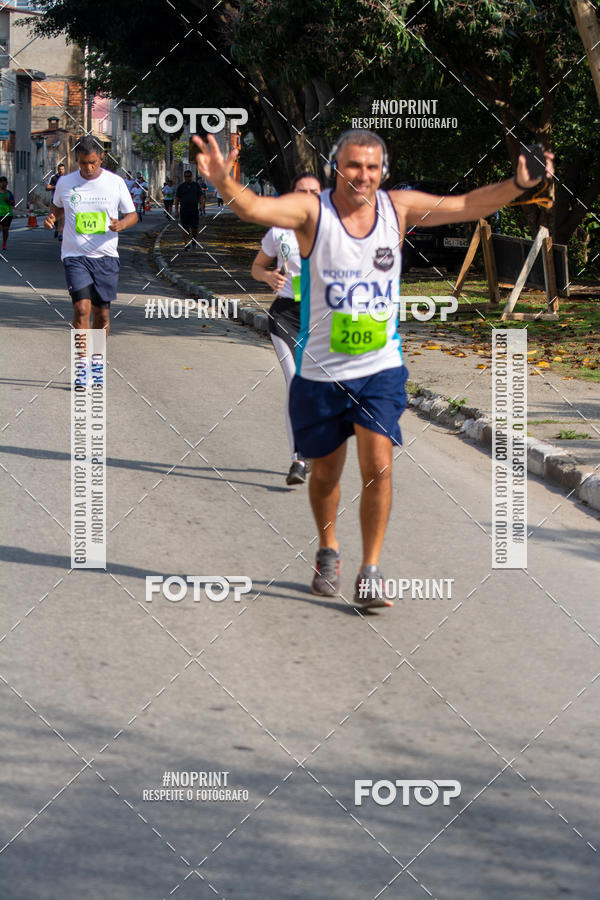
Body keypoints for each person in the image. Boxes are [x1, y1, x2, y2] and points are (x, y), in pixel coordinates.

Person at [194, 128, 553, 609]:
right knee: (324, 474)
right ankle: (328, 550)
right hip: (320, 371)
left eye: (371, 166)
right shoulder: (311, 211)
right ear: (335, 168)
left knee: (379, 465)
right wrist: (223, 182)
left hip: (380, 366)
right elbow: (255, 209)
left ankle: (371, 570)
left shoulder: (397, 207)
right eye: (352, 165)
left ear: (383, 171)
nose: (361, 175)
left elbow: (468, 204)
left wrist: (518, 185)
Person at [251, 172, 322, 486]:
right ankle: (299, 459)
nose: (307, 195)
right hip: (286, 317)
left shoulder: (337, 229)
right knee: (296, 384)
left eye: (313, 191)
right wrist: (268, 278)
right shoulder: (279, 229)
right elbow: (257, 266)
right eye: (301, 190)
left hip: (323, 317)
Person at [43, 136, 138, 335]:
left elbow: (133, 215)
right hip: (74, 255)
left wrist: (121, 224)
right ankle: (81, 362)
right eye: (83, 163)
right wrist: (52, 218)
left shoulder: (115, 182)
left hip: (106, 256)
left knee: (102, 315)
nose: (88, 168)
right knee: (81, 309)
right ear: (77, 159)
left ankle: (96, 360)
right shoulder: (65, 182)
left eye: (92, 163)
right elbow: (58, 208)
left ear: (101, 158)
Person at [174, 170, 202, 249]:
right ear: (184, 177)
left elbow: (201, 196)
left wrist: (202, 205)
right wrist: (176, 211)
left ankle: (194, 239)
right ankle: (186, 244)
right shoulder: (181, 187)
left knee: (194, 228)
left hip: (194, 211)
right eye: (186, 176)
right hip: (184, 211)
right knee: (185, 228)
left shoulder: (196, 186)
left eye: (189, 176)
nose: (187, 178)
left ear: (191, 176)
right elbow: (176, 199)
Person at [46, 163, 66, 239]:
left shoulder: (67, 178)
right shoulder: (54, 178)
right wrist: (55, 186)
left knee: (62, 217)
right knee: (54, 218)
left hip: (64, 201)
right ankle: (57, 229)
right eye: (60, 169)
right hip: (54, 201)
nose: (61, 171)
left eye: (62, 169)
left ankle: (61, 233)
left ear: (64, 170)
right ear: (57, 170)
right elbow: (47, 187)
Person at [0, 176, 15, 251]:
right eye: (1, 182)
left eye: (4, 182)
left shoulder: (9, 193)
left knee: (5, 230)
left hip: (7, 214)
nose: (3, 184)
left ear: (7, 183)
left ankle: (4, 243)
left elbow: (13, 204)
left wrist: (8, 200)